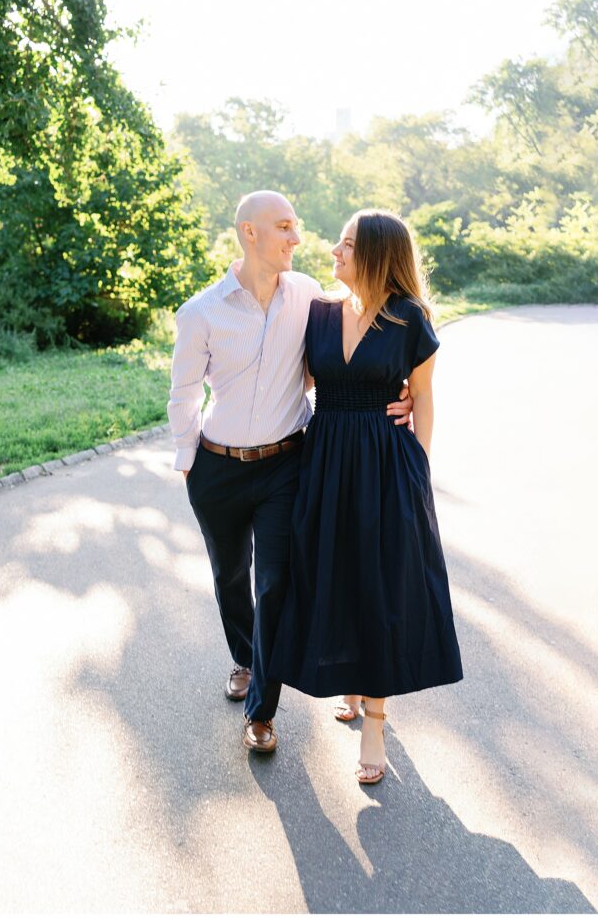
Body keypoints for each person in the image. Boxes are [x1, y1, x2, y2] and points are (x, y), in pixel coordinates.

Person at [167, 191, 413, 753]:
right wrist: (188, 463)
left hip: (285, 464)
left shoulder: (307, 295)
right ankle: (246, 660)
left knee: (275, 584)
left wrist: (402, 389)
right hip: (218, 468)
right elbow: (182, 397)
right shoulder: (200, 313)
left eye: (297, 227)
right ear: (249, 233)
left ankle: (261, 712)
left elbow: (369, 316)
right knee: (231, 577)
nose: (297, 239)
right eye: (284, 227)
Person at [268, 208, 463, 782]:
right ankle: (349, 685)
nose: (334, 250)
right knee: (335, 571)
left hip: (385, 464)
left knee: (379, 582)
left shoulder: (409, 320)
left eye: (347, 245)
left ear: (377, 254)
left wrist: (417, 465)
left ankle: (374, 718)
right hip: (324, 461)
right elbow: (296, 380)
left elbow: (422, 397)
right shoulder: (319, 315)